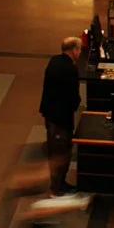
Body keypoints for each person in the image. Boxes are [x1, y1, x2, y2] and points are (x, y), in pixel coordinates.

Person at [40, 36, 83, 194]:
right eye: (79, 49)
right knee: (61, 152)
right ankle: (57, 187)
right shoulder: (70, 69)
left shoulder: (54, 60)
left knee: (54, 148)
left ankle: (58, 183)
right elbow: (72, 95)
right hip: (61, 118)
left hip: (49, 114)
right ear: (74, 50)